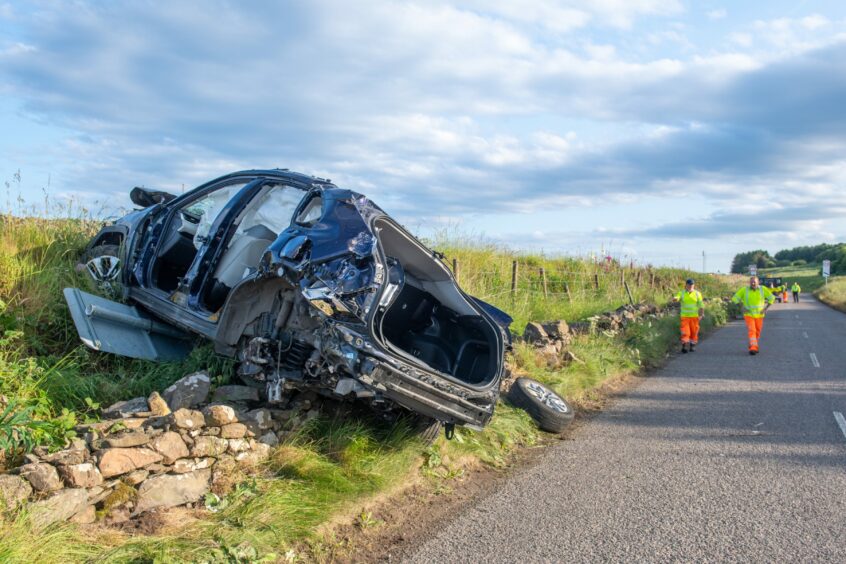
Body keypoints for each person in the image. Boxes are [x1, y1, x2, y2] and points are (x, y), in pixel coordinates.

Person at [731, 276, 776, 355]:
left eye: (754, 282)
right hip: (749, 315)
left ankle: (753, 345)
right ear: (749, 283)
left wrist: (765, 308)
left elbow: (772, 298)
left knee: (758, 332)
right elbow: (735, 298)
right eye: (751, 282)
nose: (753, 283)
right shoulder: (744, 290)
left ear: (758, 282)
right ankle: (753, 348)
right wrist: (742, 307)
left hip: (760, 315)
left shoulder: (763, 289)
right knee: (752, 331)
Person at [673, 278, 704, 354]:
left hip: (694, 317)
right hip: (685, 317)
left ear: (694, 285)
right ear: (686, 285)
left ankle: (692, 345)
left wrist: (702, 314)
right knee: (685, 332)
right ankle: (684, 346)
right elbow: (677, 297)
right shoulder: (682, 293)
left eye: (692, 285)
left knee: (694, 332)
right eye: (689, 285)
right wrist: (675, 299)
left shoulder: (697, 294)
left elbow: (701, 305)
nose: (690, 286)